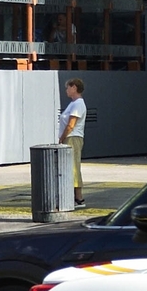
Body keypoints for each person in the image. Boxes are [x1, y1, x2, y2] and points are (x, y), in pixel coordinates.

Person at [59, 78, 88, 208]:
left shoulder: (78, 104)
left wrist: (62, 138)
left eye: (68, 87)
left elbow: (71, 125)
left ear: (74, 87)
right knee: (70, 166)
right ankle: (74, 196)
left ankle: (79, 198)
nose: (66, 90)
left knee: (73, 166)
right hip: (70, 137)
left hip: (73, 138)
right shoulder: (73, 103)